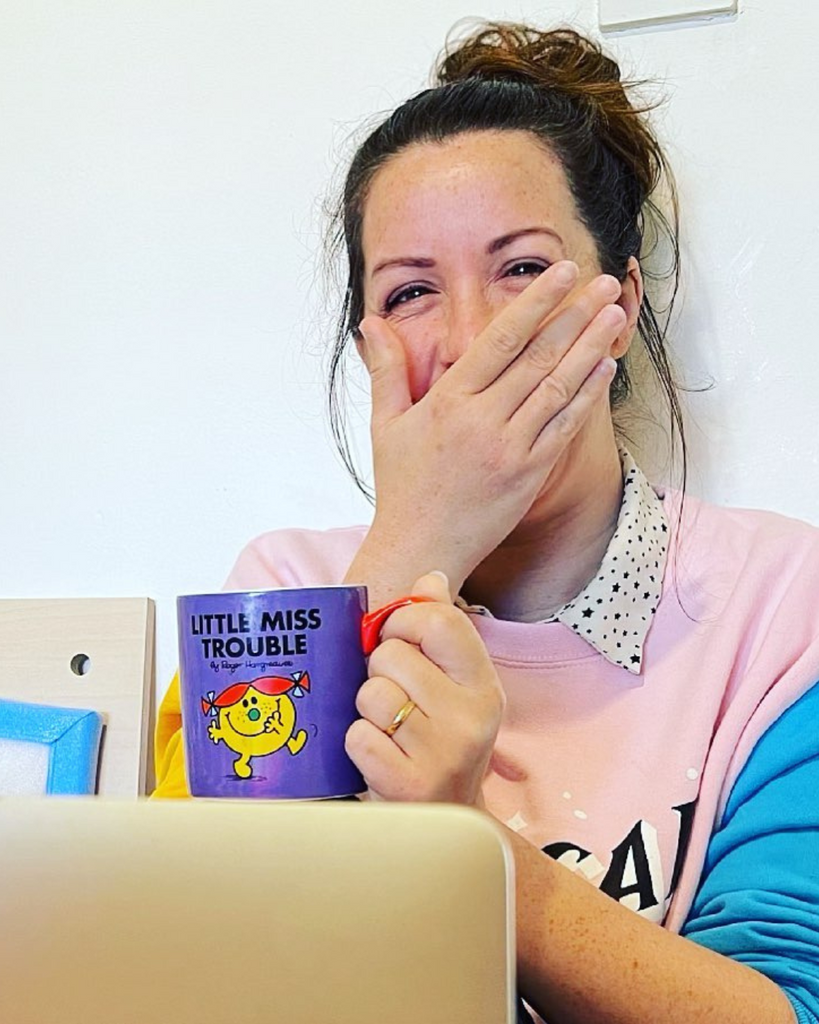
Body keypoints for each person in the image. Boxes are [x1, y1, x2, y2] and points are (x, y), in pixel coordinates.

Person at [154, 22, 819, 1023]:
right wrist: (410, 549)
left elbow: (784, 1005)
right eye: (411, 291)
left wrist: (465, 844)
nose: (471, 340)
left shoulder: (782, 608)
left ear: (621, 299)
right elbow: (177, 969)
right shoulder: (280, 598)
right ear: (367, 342)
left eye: (521, 270)